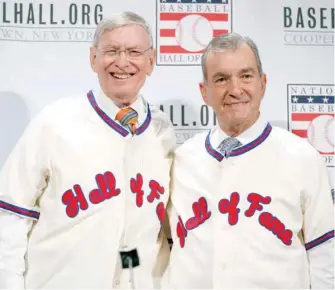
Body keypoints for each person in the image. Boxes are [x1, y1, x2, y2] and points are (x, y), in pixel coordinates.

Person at [0, 12, 175, 289]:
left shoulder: (163, 132)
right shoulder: (54, 122)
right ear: (93, 59)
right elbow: (11, 214)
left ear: (150, 61)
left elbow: (154, 231)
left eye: (133, 52)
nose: (122, 62)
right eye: (111, 51)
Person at [165, 33, 334, 289]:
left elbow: (324, 252)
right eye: (221, 79)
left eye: (246, 76)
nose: (235, 89)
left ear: (263, 84)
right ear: (204, 92)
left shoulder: (302, 157)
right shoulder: (180, 160)